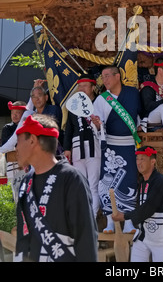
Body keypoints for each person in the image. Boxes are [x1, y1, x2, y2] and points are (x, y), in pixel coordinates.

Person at [15, 114, 98, 262]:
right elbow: (23, 239)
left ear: (32, 140)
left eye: (19, 141)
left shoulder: (71, 179)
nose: (16, 148)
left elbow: (86, 239)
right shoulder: (25, 184)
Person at [92, 65, 140, 234]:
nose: (104, 80)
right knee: (108, 182)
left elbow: (140, 116)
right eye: (102, 77)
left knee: (129, 182)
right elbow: (96, 126)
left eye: (107, 76)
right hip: (110, 147)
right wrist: (97, 125)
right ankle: (110, 222)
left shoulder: (133, 94)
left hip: (129, 144)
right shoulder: (100, 99)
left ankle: (128, 222)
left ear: (117, 76)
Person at [111, 146, 163, 262]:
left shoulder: (160, 182)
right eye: (137, 159)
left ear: (152, 162)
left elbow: (148, 208)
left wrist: (124, 216)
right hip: (143, 236)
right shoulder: (142, 182)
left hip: (160, 239)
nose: (139, 163)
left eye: (142, 159)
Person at [64, 74, 101, 217]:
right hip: (77, 148)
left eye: (85, 86)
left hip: (94, 147)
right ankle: (81, 218)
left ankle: (92, 218)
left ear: (93, 87)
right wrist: (67, 149)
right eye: (80, 86)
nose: (82, 89)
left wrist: (98, 125)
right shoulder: (74, 105)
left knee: (93, 185)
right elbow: (69, 129)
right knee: (81, 184)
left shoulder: (99, 102)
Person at [1, 101, 27, 202]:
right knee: (16, 193)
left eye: (17, 113)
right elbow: (6, 146)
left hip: (27, 162)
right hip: (13, 164)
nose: (14, 115)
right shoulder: (7, 127)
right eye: (12, 113)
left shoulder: (28, 126)